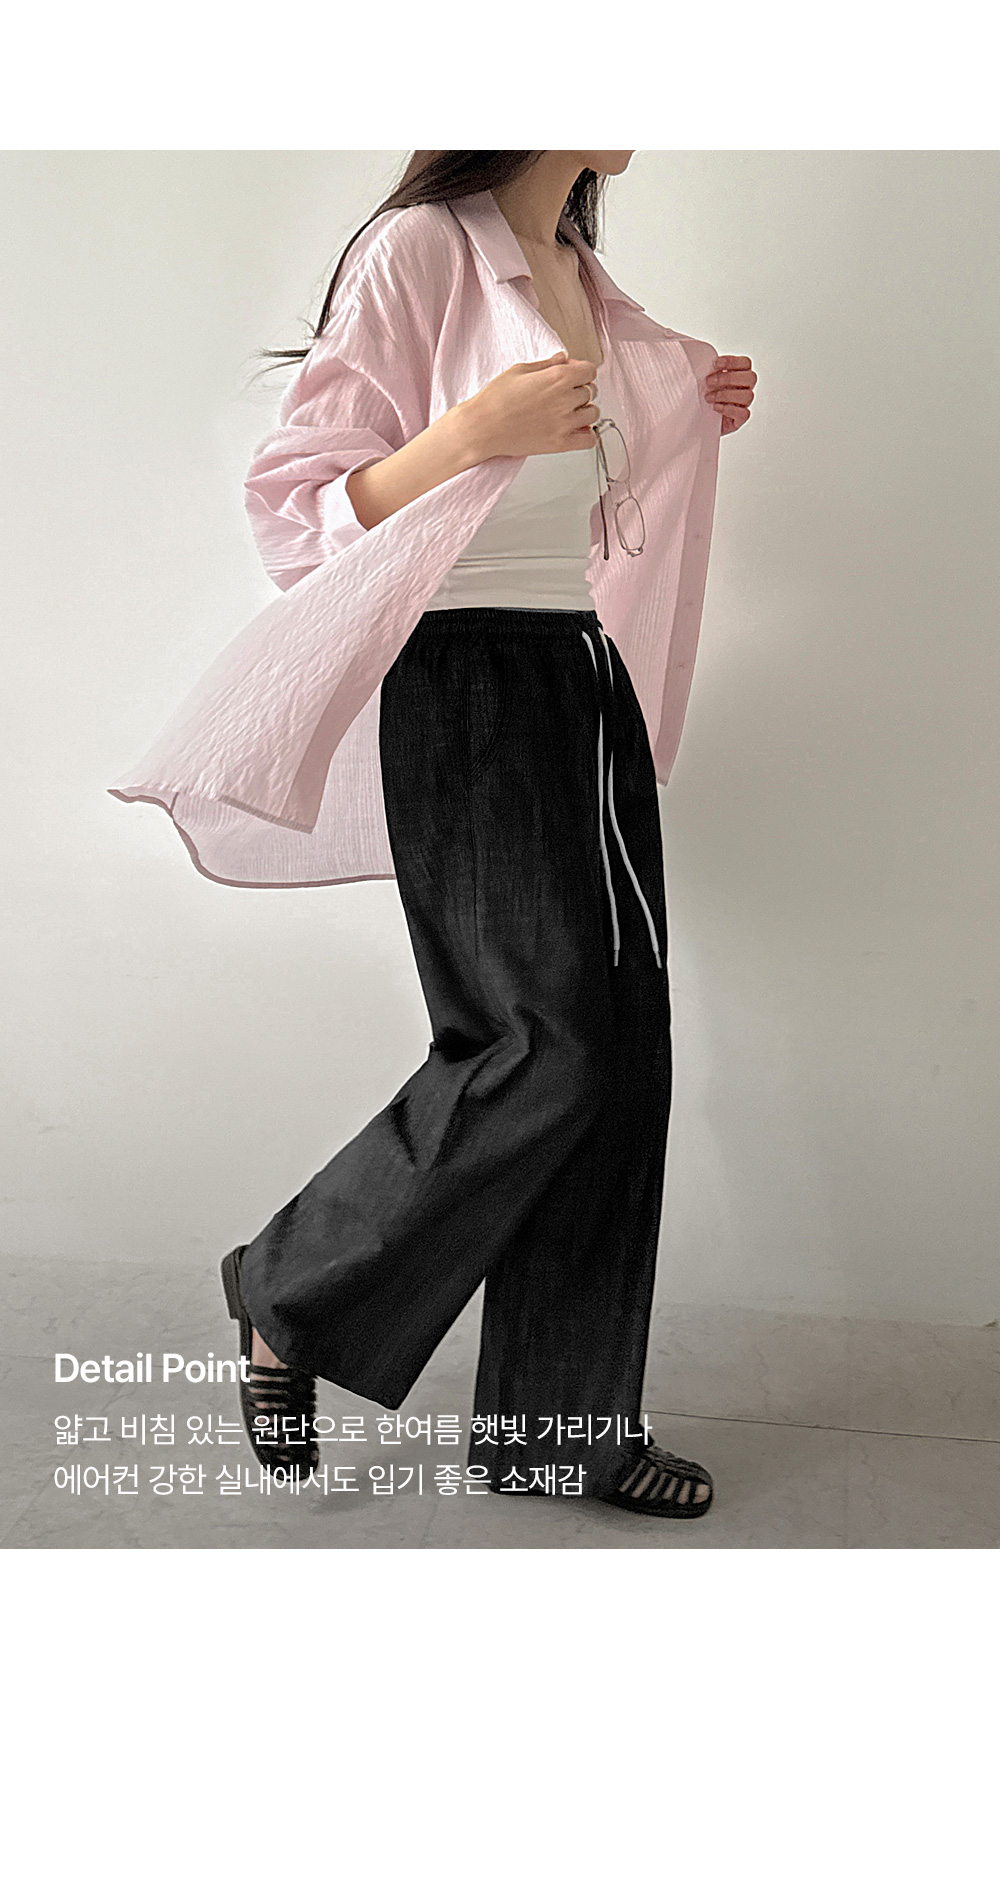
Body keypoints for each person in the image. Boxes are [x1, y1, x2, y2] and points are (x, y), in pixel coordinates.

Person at [116, 149, 756, 1515]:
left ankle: (559, 1432)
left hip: (580, 677)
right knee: (541, 1043)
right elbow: (297, 505)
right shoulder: (418, 249)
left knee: (621, 1056)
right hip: (464, 679)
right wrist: (468, 433)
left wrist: (684, 405)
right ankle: (288, 1288)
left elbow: (592, 487)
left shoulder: (582, 278)